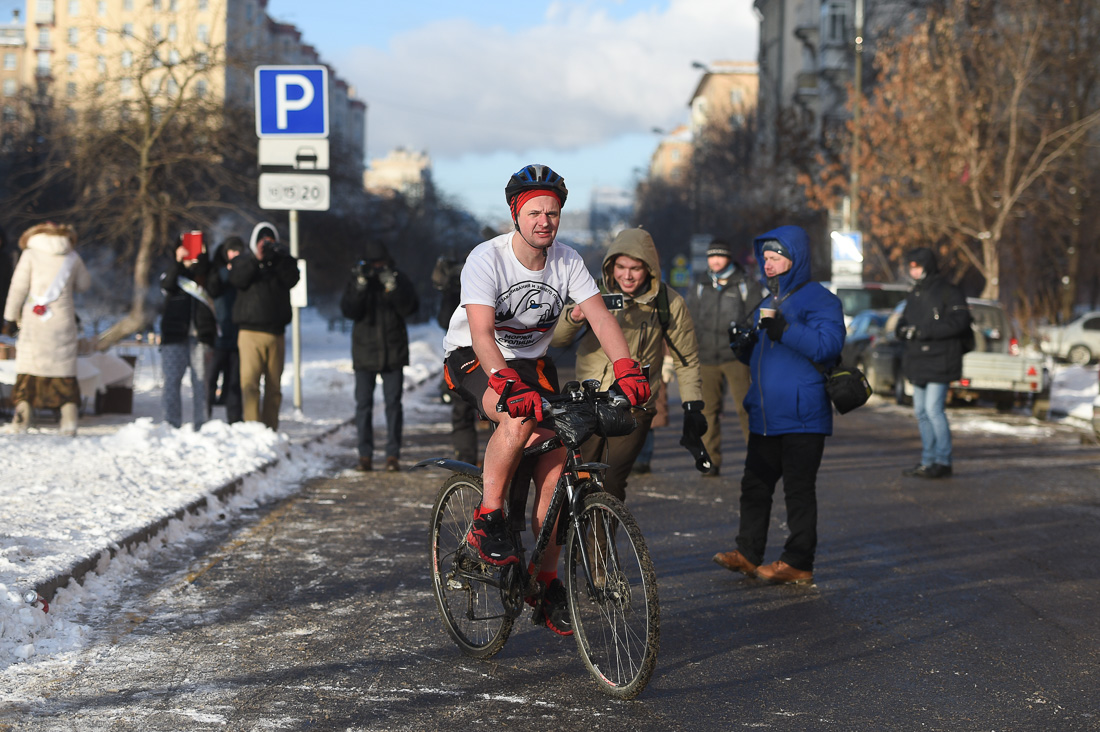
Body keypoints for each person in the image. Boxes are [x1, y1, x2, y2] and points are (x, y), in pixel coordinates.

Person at [442, 164, 648, 636]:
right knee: (516, 418)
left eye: (552, 213)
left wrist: (625, 368)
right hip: (476, 357)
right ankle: (488, 516)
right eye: (534, 212)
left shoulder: (568, 260)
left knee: (558, 466)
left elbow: (600, 319)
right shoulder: (486, 258)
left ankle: (546, 579)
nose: (544, 222)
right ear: (516, 213)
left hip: (532, 364)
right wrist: (505, 382)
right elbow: (480, 332)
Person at [712, 225, 844, 585]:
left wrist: (784, 329)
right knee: (754, 485)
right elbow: (761, 356)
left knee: (798, 492)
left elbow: (827, 346)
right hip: (766, 414)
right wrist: (744, 345)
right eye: (766, 258)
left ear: (795, 258)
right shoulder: (767, 300)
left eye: (776, 258)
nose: (768, 265)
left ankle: (798, 561)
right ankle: (748, 553)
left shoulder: (820, 299)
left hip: (803, 414)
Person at [550, 227, 706, 501]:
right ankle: (572, 542)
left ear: (650, 268)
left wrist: (692, 406)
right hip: (588, 401)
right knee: (576, 482)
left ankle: (600, 544)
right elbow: (557, 340)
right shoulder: (590, 291)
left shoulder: (668, 303)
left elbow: (687, 359)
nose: (628, 275)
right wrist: (574, 316)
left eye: (636, 268)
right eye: (621, 266)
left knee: (610, 483)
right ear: (611, 265)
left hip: (634, 406)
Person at [2, 222, 92, 435]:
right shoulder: (72, 256)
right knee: (64, 371)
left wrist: (10, 317)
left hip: (35, 322)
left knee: (29, 370)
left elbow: (18, 287)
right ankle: (69, 421)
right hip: (62, 320)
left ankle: (22, 420)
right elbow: (84, 284)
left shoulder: (30, 254)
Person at [685, 239, 765, 477]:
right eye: (711, 256)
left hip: (736, 357)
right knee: (708, 411)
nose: (715, 260)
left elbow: (754, 318)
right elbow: (692, 319)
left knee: (745, 408)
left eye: (720, 256)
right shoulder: (699, 284)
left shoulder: (745, 284)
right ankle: (710, 461)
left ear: (729, 258)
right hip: (707, 356)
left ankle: (758, 460)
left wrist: (745, 341)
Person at [340, 242, 419, 472]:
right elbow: (348, 310)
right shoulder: (358, 279)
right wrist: (360, 285)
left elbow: (410, 308)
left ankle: (392, 455)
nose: (376, 268)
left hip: (393, 351)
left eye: (380, 264)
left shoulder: (397, 278)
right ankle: (365, 455)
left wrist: (392, 287)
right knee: (363, 405)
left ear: (387, 262)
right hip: (365, 352)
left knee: (393, 405)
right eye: (372, 264)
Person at [896, 247, 972, 479]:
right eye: (911, 267)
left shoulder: (949, 292)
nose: (914, 271)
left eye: (917, 266)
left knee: (933, 410)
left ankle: (943, 460)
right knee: (921, 411)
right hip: (918, 360)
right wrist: (904, 331)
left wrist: (922, 332)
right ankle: (928, 461)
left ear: (926, 266)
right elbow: (902, 321)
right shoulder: (915, 293)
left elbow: (960, 322)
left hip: (941, 359)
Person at [227, 222, 299, 431]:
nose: (266, 245)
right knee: (249, 384)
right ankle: (252, 430)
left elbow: (292, 279)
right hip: (250, 333)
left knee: (274, 387)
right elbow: (238, 279)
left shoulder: (282, 262)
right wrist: (256, 259)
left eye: (270, 241)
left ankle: (270, 430)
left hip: (276, 332)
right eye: (262, 241)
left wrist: (278, 258)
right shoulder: (244, 260)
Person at [158, 232, 217, 430]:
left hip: (201, 336)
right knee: (171, 382)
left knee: (201, 383)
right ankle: (171, 424)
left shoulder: (207, 273)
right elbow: (166, 285)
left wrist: (202, 261)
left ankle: (202, 425)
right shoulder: (173, 271)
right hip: (174, 335)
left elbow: (216, 288)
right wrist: (179, 263)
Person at [432, 254, 479, 465]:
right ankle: (468, 459)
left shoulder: (489, 281)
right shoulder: (455, 289)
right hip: (465, 355)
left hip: (490, 352)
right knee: (462, 410)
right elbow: (444, 319)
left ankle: (495, 463)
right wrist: (449, 291)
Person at [205, 237, 243, 424]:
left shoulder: (245, 270)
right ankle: (204, 417)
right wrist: (226, 273)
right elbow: (212, 288)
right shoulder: (216, 271)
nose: (235, 255)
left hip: (238, 335)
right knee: (210, 378)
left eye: (239, 251)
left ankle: (235, 421)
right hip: (218, 334)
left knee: (234, 382)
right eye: (231, 251)